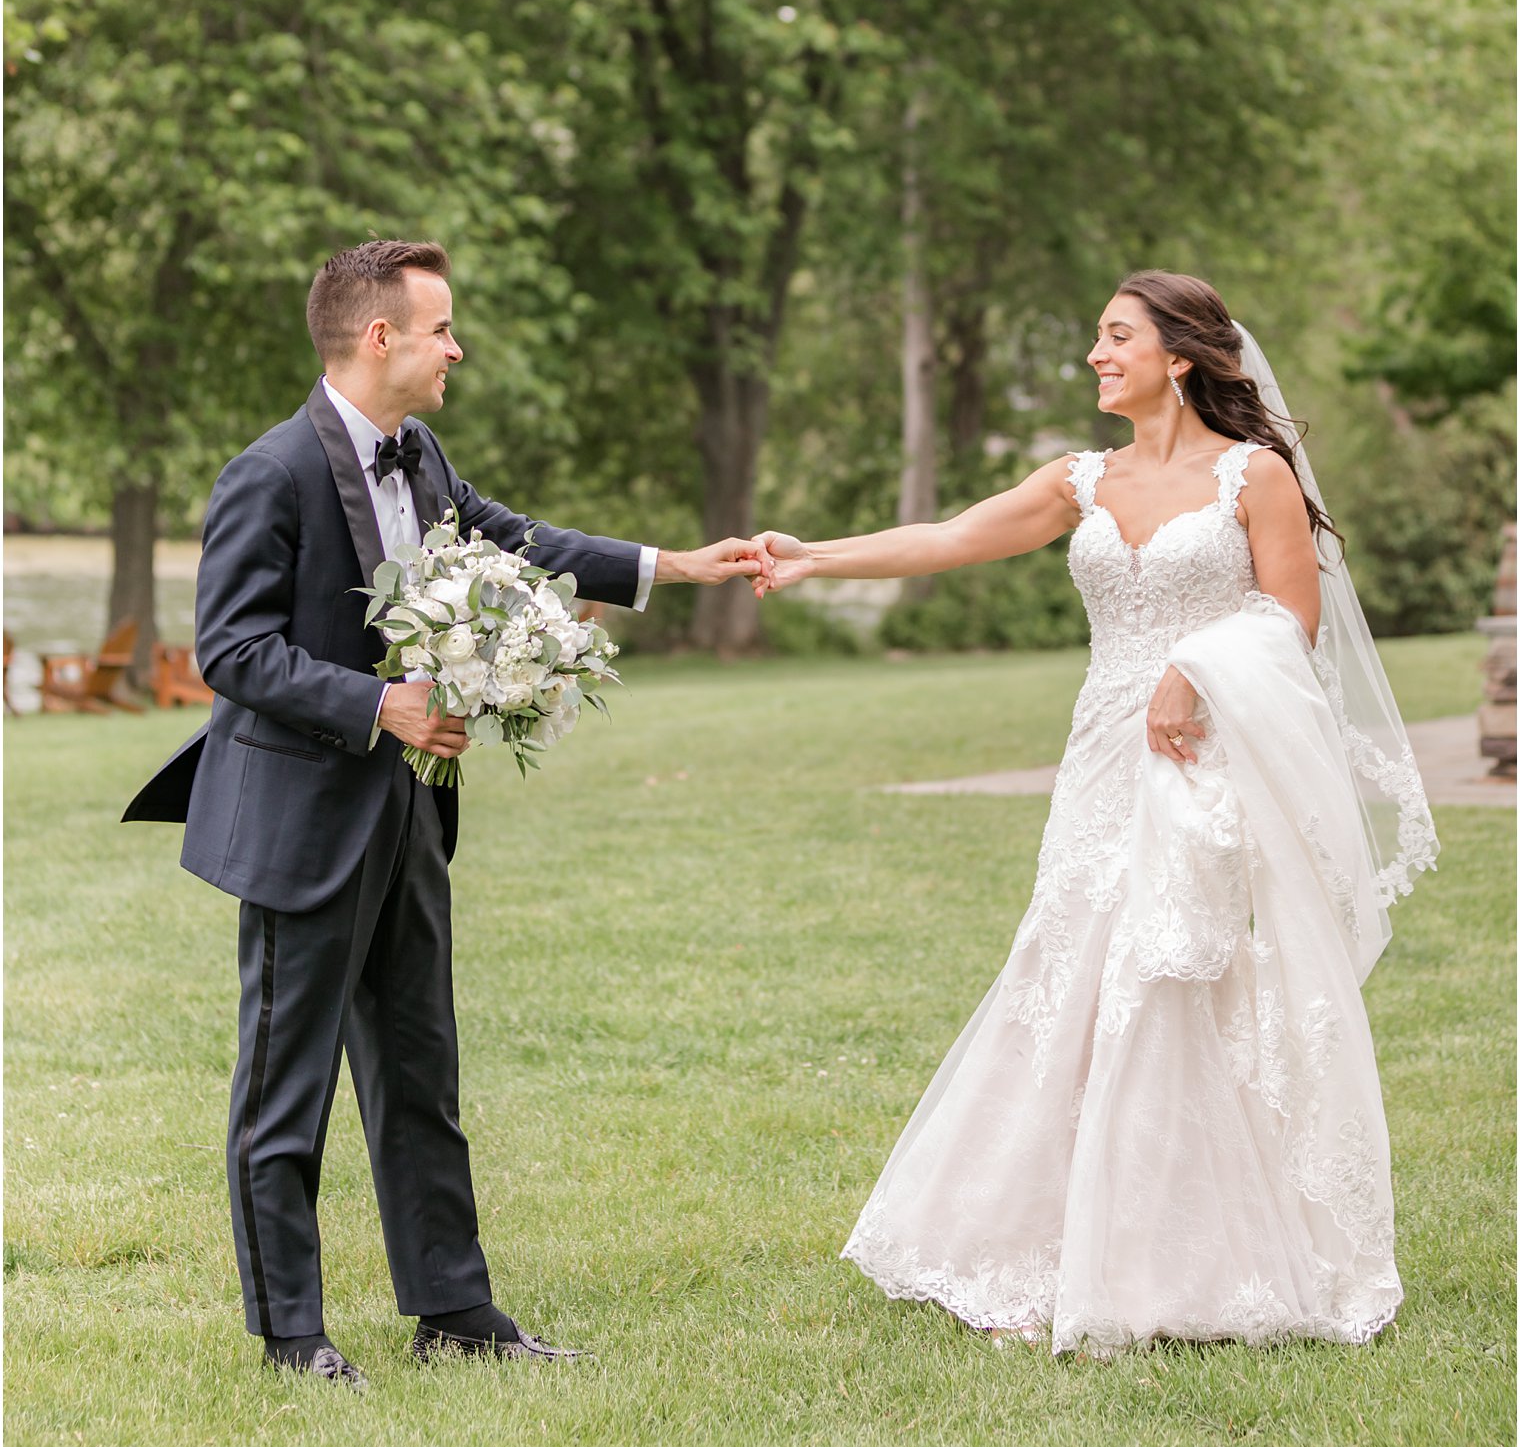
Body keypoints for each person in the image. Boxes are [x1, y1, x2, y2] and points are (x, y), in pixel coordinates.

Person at [754, 270, 1437, 1354]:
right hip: (1097, 758)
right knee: (1070, 960)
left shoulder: (1250, 478)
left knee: (1170, 968)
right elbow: (946, 537)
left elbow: (1292, 620)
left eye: (1114, 337)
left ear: (1178, 356)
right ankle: (1048, 1246)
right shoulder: (1081, 478)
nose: (1093, 356)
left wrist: (1194, 672)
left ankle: (1180, 1254)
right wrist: (810, 557)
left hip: (1199, 758)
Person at [124, 238, 764, 1388]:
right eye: (442, 329)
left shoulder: (419, 455)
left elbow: (511, 542)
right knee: (287, 1089)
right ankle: (290, 1336)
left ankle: (455, 1312)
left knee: (422, 1069)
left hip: (411, 816)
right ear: (382, 339)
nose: (456, 348)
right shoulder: (267, 475)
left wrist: (675, 565)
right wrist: (383, 704)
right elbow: (231, 651)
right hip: (302, 828)